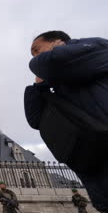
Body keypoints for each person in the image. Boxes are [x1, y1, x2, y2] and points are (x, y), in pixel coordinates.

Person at [24, 31, 108, 211]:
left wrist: (43, 63)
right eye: (32, 55)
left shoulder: (97, 47)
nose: (35, 57)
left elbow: (51, 62)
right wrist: (39, 87)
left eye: (37, 50)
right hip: (94, 166)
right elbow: (35, 119)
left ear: (58, 42)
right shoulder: (60, 83)